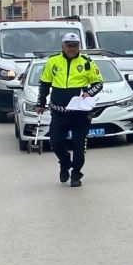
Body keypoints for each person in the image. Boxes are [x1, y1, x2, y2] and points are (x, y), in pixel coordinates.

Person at [37, 32, 103, 187]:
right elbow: (44, 84)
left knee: (79, 146)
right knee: (56, 142)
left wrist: (89, 93)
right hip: (59, 112)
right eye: (69, 45)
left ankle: (76, 174)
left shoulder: (87, 62)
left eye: (75, 45)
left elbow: (98, 83)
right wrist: (40, 103)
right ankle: (65, 162)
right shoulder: (53, 61)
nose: (72, 48)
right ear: (62, 45)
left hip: (80, 113)